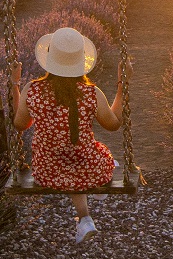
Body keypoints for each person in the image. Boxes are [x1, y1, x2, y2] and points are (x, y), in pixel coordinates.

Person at [12, 27, 127, 243]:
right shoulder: (91, 92)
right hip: (88, 167)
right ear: (80, 60)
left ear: (50, 57)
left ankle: (85, 219)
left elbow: (20, 124)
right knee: (100, 157)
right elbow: (114, 124)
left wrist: (15, 85)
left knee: (68, 159)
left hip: (47, 170)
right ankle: (88, 209)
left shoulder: (33, 90)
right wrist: (122, 86)